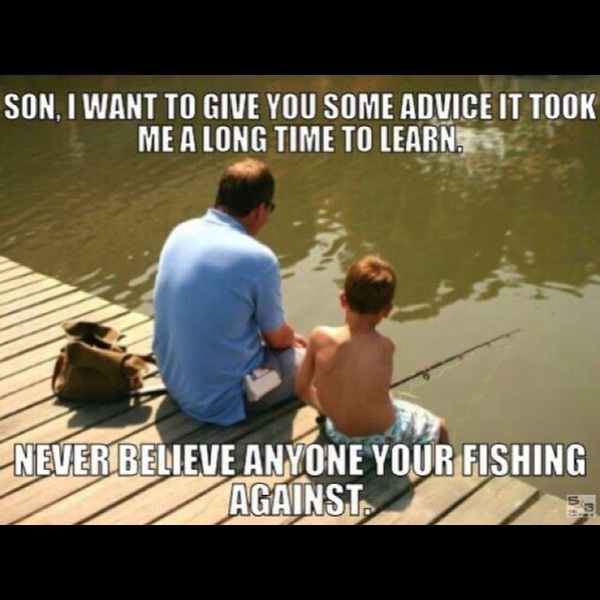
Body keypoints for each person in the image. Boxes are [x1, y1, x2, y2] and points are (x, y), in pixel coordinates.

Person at [153, 158, 306, 426]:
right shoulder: (259, 259)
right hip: (222, 400)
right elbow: (278, 340)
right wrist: (294, 340)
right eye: (270, 209)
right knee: (314, 360)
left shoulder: (181, 231)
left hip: (175, 384)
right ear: (259, 209)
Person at [295, 254, 449, 456]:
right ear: (387, 310)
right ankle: (444, 466)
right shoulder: (386, 347)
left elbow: (302, 387)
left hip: (338, 434)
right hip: (383, 442)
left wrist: (325, 411)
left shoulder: (319, 337)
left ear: (342, 299)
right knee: (440, 426)